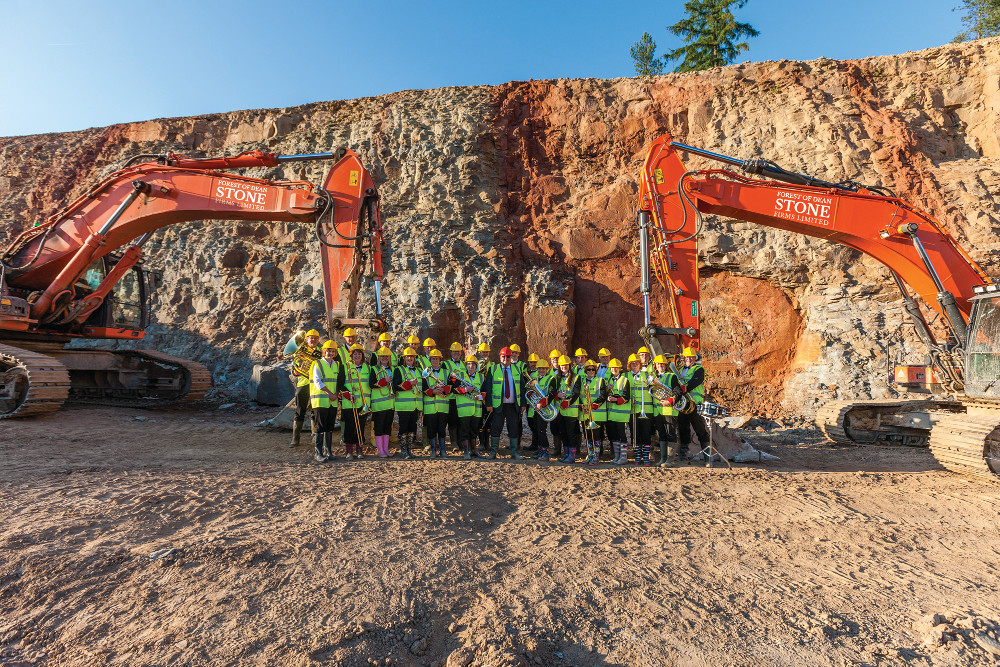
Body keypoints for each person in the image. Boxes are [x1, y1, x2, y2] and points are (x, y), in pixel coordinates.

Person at [484, 347, 527, 460]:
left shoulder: (517, 369)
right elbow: (488, 388)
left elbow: (522, 388)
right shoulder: (493, 369)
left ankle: (514, 452)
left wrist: (523, 404)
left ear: (511, 357)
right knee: (496, 427)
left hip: (513, 405)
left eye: (508, 356)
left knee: (513, 428)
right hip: (498, 405)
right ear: (500, 357)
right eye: (504, 356)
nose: (506, 359)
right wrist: (488, 404)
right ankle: (494, 452)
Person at [676, 346, 710, 463]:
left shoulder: (699, 369)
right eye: (687, 357)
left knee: (700, 429)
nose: (688, 359)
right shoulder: (679, 370)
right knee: (683, 428)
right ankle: (683, 454)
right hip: (683, 404)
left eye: (691, 357)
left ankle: (707, 456)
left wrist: (680, 390)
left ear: (695, 358)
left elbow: (694, 382)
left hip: (695, 404)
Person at [289, 328, 323, 448]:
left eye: (315, 338)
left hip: (316, 385)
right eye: (310, 338)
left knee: (315, 410)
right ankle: (295, 438)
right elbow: (294, 369)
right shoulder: (299, 351)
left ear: (318, 340)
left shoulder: (321, 352)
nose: (312, 340)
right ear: (306, 339)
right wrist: (297, 370)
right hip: (303, 383)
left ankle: (315, 437)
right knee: (299, 410)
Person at [337, 343, 371, 461]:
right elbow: (340, 384)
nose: (357, 356)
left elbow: (370, 385)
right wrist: (347, 394)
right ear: (351, 355)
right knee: (349, 427)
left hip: (363, 403)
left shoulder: (368, 367)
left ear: (362, 355)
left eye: (359, 354)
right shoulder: (344, 367)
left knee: (360, 427)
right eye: (355, 354)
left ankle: (359, 449)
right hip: (349, 402)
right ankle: (348, 451)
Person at [309, 340, 340, 463]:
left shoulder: (337, 365)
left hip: (332, 401)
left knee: (329, 426)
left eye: (333, 351)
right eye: (328, 351)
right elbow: (318, 382)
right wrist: (330, 393)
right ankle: (318, 452)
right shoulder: (318, 364)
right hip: (320, 400)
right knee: (320, 427)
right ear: (324, 351)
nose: (330, 353)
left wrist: (336, 393)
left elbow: (338, 381)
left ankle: (328, 451)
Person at [548, 355, 582, 464]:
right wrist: (557, 396)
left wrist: (567, 402)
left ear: (569, 365)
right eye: (562, 365)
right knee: (563, 433)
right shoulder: (555, 378)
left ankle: (571, 456)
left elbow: (576, 393)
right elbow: (552, 392)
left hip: (571, 411)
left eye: (566, 365)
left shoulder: (577, 377)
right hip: (560, 411)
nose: (564, 367)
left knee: (570, 433)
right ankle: (566, 454)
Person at [452, 354, 486, 459]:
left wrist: (480, 396)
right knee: (465, 431)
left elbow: (485, 391)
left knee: (474, 431)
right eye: (469, 364)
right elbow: (454, 390)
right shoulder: (460, 376)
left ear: (476, 366)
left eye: (473, 364)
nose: (471, 366)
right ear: (466, 365)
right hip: (464, 409)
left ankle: (474, 450)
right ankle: (466, 451)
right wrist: (466, 390)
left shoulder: (481, 376)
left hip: (477, 409)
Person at [393, 347, 423, 459]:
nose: (410, 358)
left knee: (412, 428)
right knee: (403, 428)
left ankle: (409, 450)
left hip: (416, 405)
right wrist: (409, 383)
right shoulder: (399, 370)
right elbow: (396, 387)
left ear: (415, 358)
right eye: (407, 357)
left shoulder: (419, 371)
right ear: (404, 358)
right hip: (404, 405)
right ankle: (403, 450)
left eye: (412, 356)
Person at [650, 354, 681, 466]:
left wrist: (670, 400)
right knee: (661, 434)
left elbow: (678, 392)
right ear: (655, 366)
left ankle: (670, 460)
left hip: (669, 409)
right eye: (659, 364)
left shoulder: (671, 376)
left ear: (665, 365)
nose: (661, 366)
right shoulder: (653, 378)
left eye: (663, 364)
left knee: (670, 434)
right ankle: (663, 459)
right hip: (657, 410)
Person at [422, 349, 451, 457]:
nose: (435, 360)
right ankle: (433, 450)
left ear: (440, 360)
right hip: (430, 407)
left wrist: (443, 389)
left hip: (443, 406)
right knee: (431, 429)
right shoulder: (425, 373)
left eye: (437, 359)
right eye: (433, 359)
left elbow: (451, 387)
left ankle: (443, 450)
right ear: (430, 360)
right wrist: (433, 391)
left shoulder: (446, 372)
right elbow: (423, 389)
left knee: (442, 429)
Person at [580, 359, 608, 466]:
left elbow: (602, 396)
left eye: (592, 369)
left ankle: (596, 456)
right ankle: (590, 454)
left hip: (596, 413)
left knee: (596, 436)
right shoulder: (582, 381)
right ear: (585, 370)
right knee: (587, 435)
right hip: (585, 413)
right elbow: (579, 395)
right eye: (588, 369)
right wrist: (581, 406)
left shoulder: (600, 380)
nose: (591, 371)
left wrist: (592, 406)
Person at [628, 353, 655, 466]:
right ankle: (637, 456)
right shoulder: (626, 376)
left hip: (647, 410)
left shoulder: (647, 374)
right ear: (629, 365)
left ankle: (646, 456)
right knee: (635, 434)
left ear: (640, 364)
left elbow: (654, 389)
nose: (635, 365)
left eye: (637, 363)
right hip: (632, 410)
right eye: (632, 363)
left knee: (646, 434)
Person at [369, 346, 396, 458]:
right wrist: (384, 381)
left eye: (386, 356)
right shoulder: (374, 369)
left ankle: (386, 449)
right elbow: (371, 384)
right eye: (382, 356)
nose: (384, 358)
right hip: (379, 404)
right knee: (379, 427)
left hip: (390, 403)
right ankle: (380, 450)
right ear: (378, 357)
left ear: (389, 358)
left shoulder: (394, 369)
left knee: (387, 426)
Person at [604, 359, 631, 464]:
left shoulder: (625, 380)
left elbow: (626, 397)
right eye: (612, 368)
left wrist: (615, 399)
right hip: (611, 413)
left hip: (621, 413)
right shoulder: (609, 380)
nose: (614, 369)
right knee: (613, 435)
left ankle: (623, 458)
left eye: (616, 367)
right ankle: (617, 456)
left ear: (620, 368)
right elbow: (605, 394)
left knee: (621, 434)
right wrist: (607, 396)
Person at [528, 357, 554, 460]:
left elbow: (551, 394)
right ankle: (541, 451)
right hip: (535, 409)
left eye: (543, 368)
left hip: (545, 408)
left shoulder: (551, 379)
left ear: (547, 369)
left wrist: (541, 403)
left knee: (542, 430)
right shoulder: (535, 379)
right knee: (537, 430)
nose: (541, 370)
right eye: (539, 368)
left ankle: (545, 452)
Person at [444, 342, 465, 454]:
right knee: (452, 420)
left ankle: (461, 441)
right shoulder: (445, 364)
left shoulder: (464, 364)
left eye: (458, 351)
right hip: (451, 397)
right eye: (454, 351)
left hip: (462, 397)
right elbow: (444, 379)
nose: (456, 353)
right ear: (451, 352)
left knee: (461, 419)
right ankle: (453, 442)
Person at [476, 343, 494, 455]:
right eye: (483, 352)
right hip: (479, 395)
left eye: (486, 352)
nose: (484, 354)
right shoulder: (476, 364)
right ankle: (481, 442)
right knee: (479, 420)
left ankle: (487, 442)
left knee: (489, 420)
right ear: (479, 353)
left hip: (490, 395)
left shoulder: (493, 365)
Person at [547, 349, 564, 457]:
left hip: (564, 405)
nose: (555, 360)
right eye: (553, 359)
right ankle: (557, 449)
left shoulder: (566, 371)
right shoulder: (549, 372)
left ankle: (574, 450)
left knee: (565, 428)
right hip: (553, 405)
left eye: (557, 359)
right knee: (554, 428)